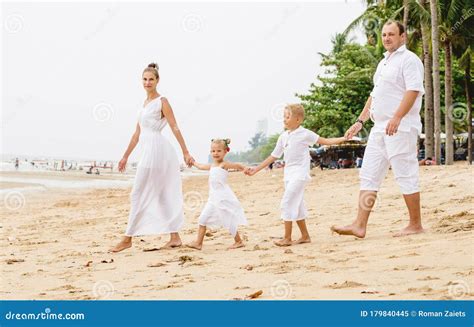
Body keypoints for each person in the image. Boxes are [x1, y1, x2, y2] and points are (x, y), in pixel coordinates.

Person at [331, 20, 425, 238]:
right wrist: (360, 121)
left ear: (403, 37)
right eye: (384, 34)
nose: (386, 38)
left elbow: (413, 90)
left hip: (401, 126)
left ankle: (415, 224)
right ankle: (359, 224)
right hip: (379, 127)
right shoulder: (383, 63)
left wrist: (398, 117)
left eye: (391, 34)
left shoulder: (409, 60)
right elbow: (374, 95)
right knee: (369, 174)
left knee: (405, 172)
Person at [110, 63, 195, 252]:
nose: (147, 82)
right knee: (161, 195)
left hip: (158, 151)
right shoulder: (143, 104)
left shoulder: (162, 101)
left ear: (157, 81)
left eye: (151, 79)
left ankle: (127, 238)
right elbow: (136, 134)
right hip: (147, 150)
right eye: (145, 79)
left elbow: (175, 127)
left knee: (137, 193)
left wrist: (186, 151)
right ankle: (175, 237)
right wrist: (125, 156)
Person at [246, 104, 345, 246]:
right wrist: (256, 170)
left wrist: (344, 138)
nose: (284, 119)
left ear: (298, 119)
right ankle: (305, 236)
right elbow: (274, 156)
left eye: (288, 116)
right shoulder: (283, 137)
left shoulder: (305, 133)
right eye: (283, 117)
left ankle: (287, 238)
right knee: (297, 205)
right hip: (288, 175)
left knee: (287, 203)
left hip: (300, 174)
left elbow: (325, 141)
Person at [186, 139, 248, 250]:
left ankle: (238, 241)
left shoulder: (224, 164)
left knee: (227, 219)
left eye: (218, 151)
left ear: (225, 151)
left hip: (222, 197)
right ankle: (199, 243)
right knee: (203, 219)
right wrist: (192, 162)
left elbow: (237, 165)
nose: (215, 153)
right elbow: (200, 166)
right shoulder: (212, 166)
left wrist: (245, 168)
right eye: (213, 151)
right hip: (213, 198)